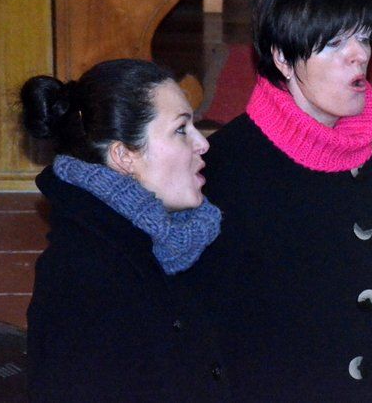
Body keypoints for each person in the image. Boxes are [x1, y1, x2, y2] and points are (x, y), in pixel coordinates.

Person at [196, 0, 372, 401]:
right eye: (334, 43)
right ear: (282, 58)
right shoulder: (231, 163)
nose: (359, 55)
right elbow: (215, 329)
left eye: (363, 36)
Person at [20, 59, 229, 401]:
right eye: (181, 129)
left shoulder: (179, 240)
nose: (202, 144)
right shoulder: (83, 277)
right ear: (124, 156)